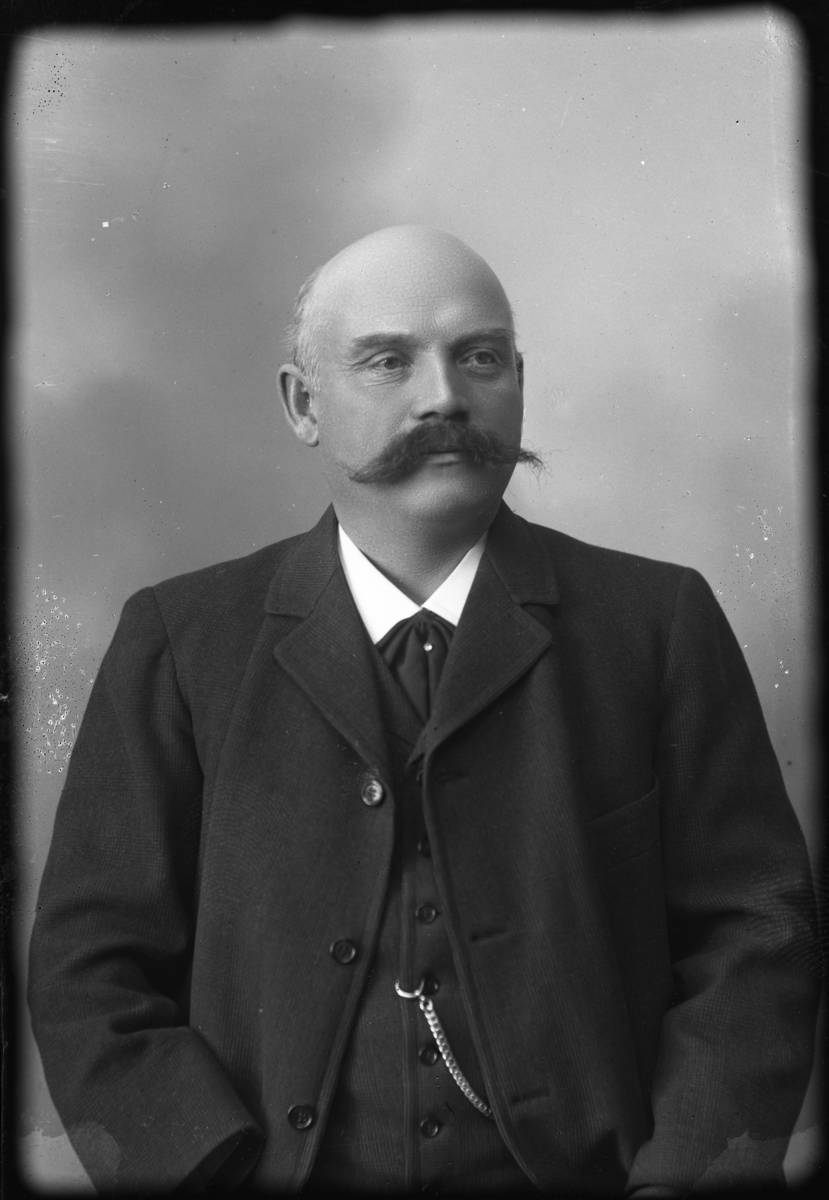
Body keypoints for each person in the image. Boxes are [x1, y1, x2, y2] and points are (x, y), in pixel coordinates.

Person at [28, 226, 819, 1196]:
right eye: (387, 361)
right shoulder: (183, 639)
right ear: (302, 404)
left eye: (479, 357)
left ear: (519, 381)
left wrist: (679, 1181)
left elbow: (757, 935)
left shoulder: (657, 624)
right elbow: (88, 969)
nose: (444, 396)